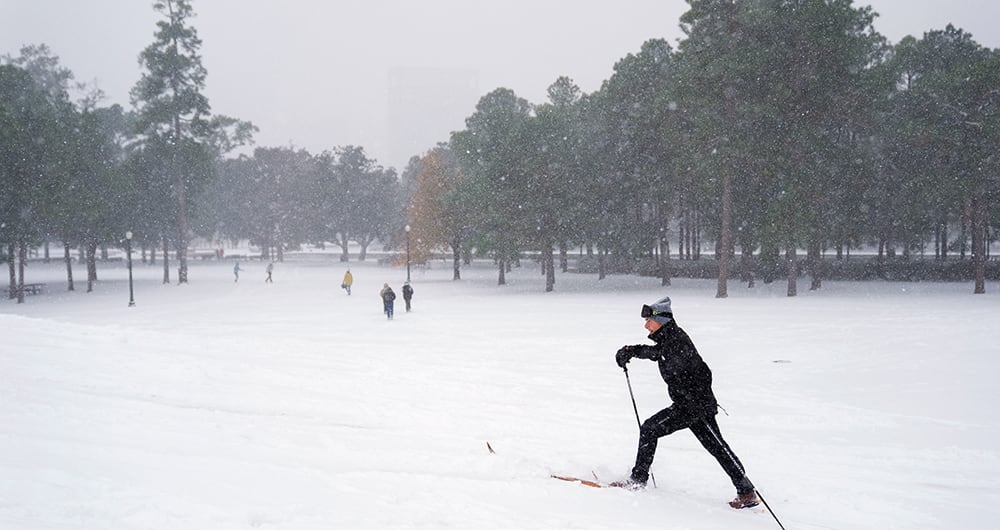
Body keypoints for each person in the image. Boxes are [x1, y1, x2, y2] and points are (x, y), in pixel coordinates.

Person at [613, 296, 759, 509]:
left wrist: (695, 399)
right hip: (688, 405)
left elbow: (697, 370)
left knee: (654, 430)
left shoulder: (676, 341)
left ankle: (638, 480)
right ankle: (746, 491)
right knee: (715, 446)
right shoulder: (668, 339)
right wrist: (631, 351)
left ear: (661, 321)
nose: (646, 326)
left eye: (649, 321)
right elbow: (658, 353)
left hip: (694, 406)